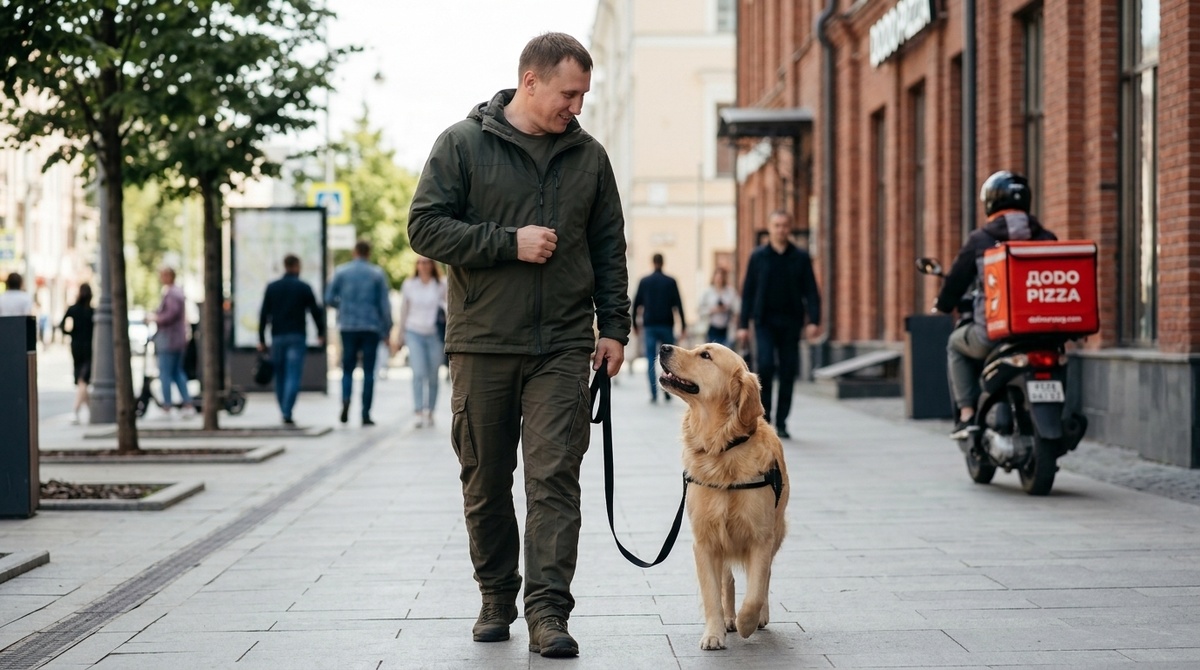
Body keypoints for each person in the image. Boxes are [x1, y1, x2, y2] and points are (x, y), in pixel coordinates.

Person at [408, 32, 630, 659]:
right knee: (485, 477)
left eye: (584, 94)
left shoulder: (589, 157)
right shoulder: (462, 144)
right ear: (530, 82)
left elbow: (610, 247)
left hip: (562, 343)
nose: (577, 107)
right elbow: (423, 227)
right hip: (482, 342)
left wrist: (614, 326)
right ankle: (496, 594)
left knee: (555, 476)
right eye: (569, 93)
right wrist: (509, 242)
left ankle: (548, 613)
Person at [934, 170, 1056, 438]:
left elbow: (955, 281)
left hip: (994, 333)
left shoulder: (980, 240)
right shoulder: (1046, 237)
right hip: (1044, 333)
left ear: (990, 203)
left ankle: (966, 414)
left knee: (955, 344)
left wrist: (943, 305)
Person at [736, 210, 822, 440]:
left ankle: (782, 422)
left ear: (790, 228)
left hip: (791, 322)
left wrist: (814, 320)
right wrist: (743, 324)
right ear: (770, 227)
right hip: (764, 321)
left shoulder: (801, 258)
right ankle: (765, 418)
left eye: (785, 225)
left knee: (787, 370)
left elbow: (811, 290)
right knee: (764, 366)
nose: (781, 229)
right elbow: (748, 293)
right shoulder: (758, 256)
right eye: (777, 225)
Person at [326, 240, 392, 426]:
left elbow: (329, 298)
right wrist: (387, 329)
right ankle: (365, 413)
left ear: (354, 252)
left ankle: (346, 398)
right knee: (369, 372)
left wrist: (344, 306)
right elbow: (384, 306)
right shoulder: (377, 274)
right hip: (371, 327)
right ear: (368, 253)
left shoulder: (341, 271)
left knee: (347, 368)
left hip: (348, 326)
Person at [258, 254, 326, 426]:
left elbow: (264, 314)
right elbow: (315, 311)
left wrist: (261, 338)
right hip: (297, 336)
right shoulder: (303, 287)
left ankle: (283, 408)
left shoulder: (273, 287)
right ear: (296, 266)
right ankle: (287, 410)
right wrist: (321, 332)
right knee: (293, 374)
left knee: (280, 374)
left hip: (277, 336)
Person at [395, 256, 447, 429]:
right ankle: (418, 411)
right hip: (414, 332)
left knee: (433, 375)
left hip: (434, 334)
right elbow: (404, 311)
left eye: (427, 262)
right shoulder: (409, 284)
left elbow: (449, 309)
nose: (423, 266)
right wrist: (400, 335)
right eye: (420, 262)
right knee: (418, 372)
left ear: (433, 265)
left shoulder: (441, 284)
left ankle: (430, 411)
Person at [632, 253, 686, 403]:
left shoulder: (645, 281)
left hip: (649, 325)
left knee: (650, 358)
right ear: (663, 263)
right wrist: (683, 325)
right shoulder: (670, 282)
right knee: (669, 359)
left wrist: (635, 324)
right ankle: (668, 389)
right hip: (666, 325)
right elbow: (678, 304)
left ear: (653, 262)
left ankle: (654, 393)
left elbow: (636, 304)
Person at [149, 266, 195, 418]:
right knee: (177, 372)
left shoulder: (172, 293)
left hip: (169, 340)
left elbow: (170, 314)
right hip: (176, 339)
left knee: (166, 374)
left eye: (163, 275)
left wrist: (155, 318)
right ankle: (186, 403)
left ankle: (167, 406)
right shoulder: (175, 292)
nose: (161, 278)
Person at [60, 283, 94, 424]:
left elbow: (61, 326)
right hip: (88, 347)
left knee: (81, 379)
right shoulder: (92, 312)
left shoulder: (73, 309)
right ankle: (75, 411)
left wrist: (71, 333)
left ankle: (91, 411)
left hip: (75, 346)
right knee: (83, 380)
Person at [698, 266, 739, 347]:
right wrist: (713, 310)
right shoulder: (707, 292)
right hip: (711, 328)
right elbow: (699, 309)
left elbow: (737, 308)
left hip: (726, 328)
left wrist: (727, 309)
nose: (719, 279)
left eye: (721, 277)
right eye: (717, 277)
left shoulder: (730, 292)